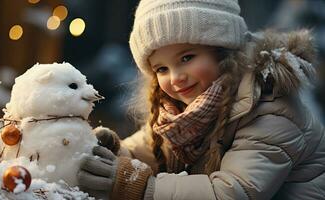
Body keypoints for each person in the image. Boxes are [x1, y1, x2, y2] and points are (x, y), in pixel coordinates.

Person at [77, 0, 325, 199]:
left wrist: (138, 186)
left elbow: (233, 191)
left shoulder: (269, 106)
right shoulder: (189, 107)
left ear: (222, 51)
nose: (175, 78)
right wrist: (118, 152)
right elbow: (152, 148)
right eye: (161, 69)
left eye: (187, 58)